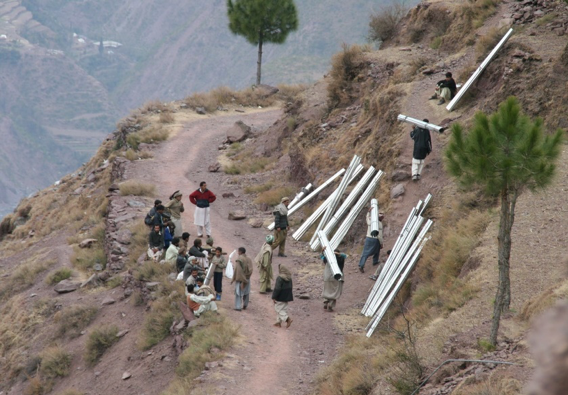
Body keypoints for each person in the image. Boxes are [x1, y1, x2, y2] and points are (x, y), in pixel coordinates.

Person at [321, 248, 346, 312]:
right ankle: (331, 305)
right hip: (337, 277)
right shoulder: (341, 258)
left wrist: (323, 252)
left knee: (327, 289)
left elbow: (322, 257)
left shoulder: (327, 258)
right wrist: (338, 254)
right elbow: (345, 256)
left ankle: (326, 301)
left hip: (327, 276)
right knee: (335, 292)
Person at [232, 247, 253, 311]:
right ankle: (245, 304)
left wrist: (241, 279)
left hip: (241, 279)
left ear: (240, 252)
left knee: (238, 293)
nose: (238, 253)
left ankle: (238, 306)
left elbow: (238, 270)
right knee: (246, 292)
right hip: (247, 278)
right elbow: (251, 269)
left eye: (238, 251)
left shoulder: (239, 259)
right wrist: (247, 277)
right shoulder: (249, 259)